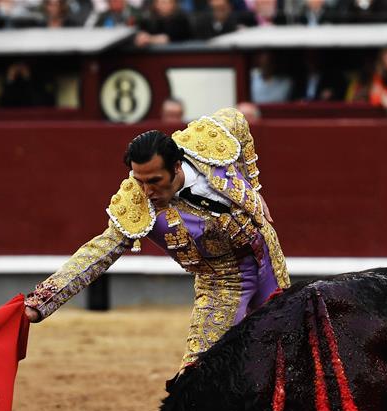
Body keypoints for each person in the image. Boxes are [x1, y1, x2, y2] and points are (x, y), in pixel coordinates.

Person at [24, 108, 290, 367]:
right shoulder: (136, 203)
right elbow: (97, 254)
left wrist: (253, 187)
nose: (147, 190)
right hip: (223, 280)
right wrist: (40, 303)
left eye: (154, 180)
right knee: (199, 377)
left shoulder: (207, 140)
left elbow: (237, 121)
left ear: (176, 166)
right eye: (140, 181)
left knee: (282, 352)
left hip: (268, 255)